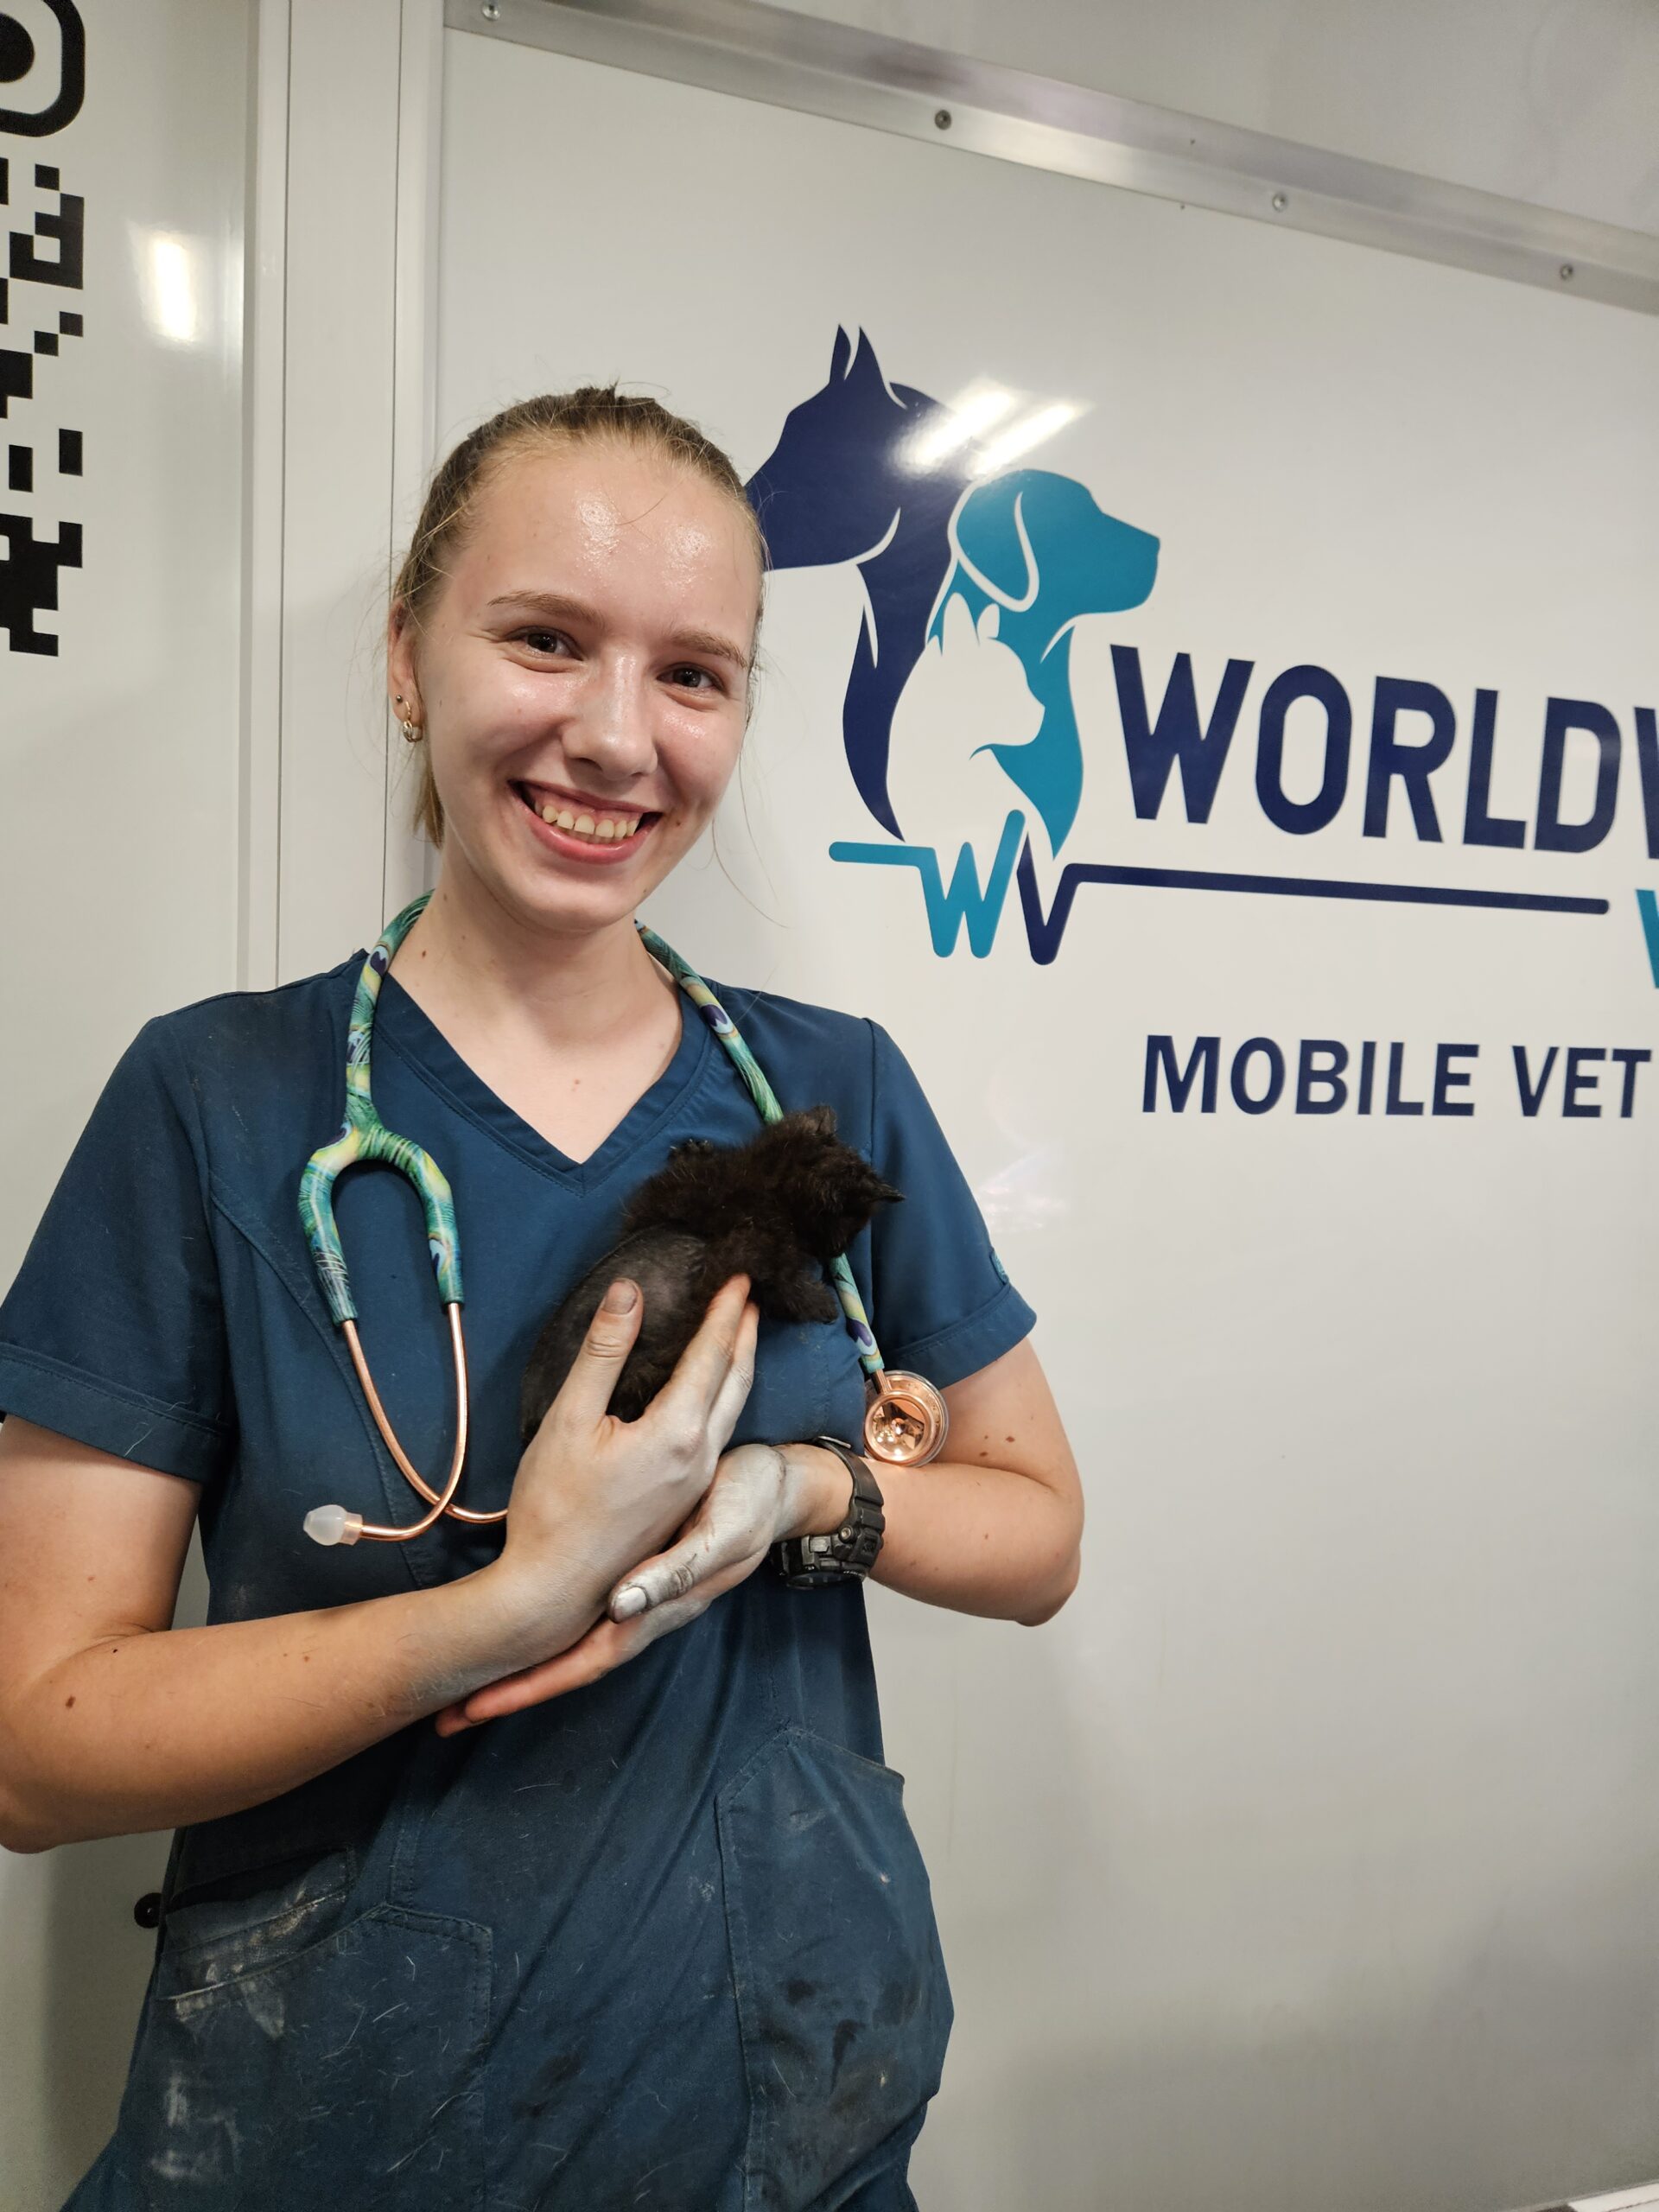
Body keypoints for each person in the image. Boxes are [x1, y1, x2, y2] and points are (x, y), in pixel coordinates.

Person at [0, 388, 1083, 2210]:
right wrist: (514, 1602)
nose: (617, 736)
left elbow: (1038, 1529)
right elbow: (37, 1743)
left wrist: (799, 1492)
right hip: (335, 2136)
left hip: (780, 2123)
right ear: (406, 660)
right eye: (545, 639)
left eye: (693, 673)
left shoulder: (827, 1093)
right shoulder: (217, 1102)